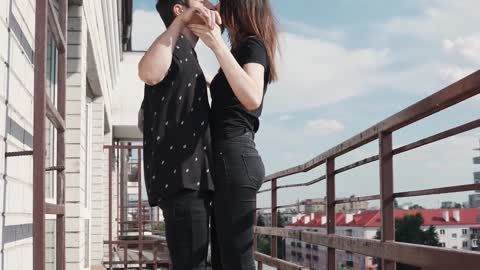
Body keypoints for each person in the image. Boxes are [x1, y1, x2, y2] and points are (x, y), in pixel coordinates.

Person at [188, 0, 279, 269]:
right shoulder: (240, 49)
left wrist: (215, 43)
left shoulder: (252, 45)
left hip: (235, 159)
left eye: (223, 5)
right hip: (227, 160)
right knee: (223, 259)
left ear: (238, 9)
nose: (218, 9)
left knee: (236, 261)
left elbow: (252, 96)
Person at [137, 1, 219, 269]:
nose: (208, 4)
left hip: (189, 180)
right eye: (202, 2)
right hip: (183, 181)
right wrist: (181, 23)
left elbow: (144, 117)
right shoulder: (171, 47)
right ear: (178, 10)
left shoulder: (187, 55)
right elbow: (147, 73)